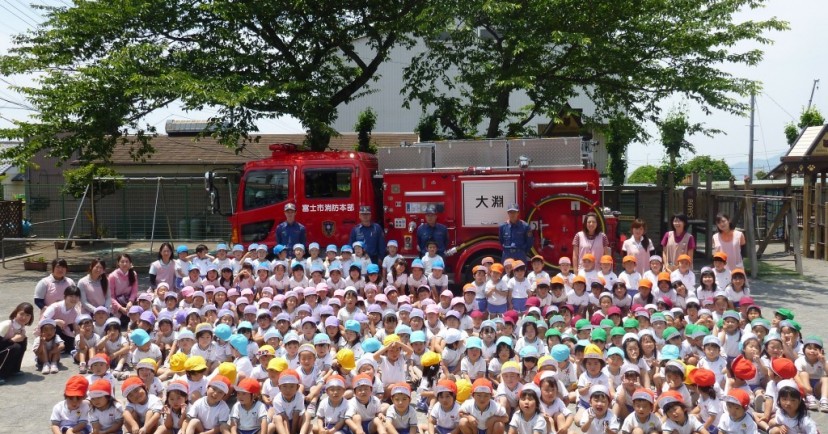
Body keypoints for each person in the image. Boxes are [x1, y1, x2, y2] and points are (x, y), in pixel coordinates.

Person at [0, 302, 33, 383]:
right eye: (21, 314)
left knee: (23, 341)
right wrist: (12, 340)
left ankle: (14, 369)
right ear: (15, 313)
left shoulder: (21, 327)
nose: (24, 317)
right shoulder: (6, 325)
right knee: (15, 347)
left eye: (28, 315)